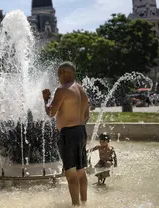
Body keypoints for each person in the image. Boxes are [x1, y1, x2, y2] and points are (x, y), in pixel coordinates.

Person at [42, 62, 89, 206]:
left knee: (71, 173)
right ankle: (84, 202)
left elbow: (51, 113)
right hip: (81, 131)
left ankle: (75, 205)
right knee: (81, 171)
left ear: (62, 72)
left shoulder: (62, 90)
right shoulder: (82, 89)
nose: (58, 78)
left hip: (68, 134)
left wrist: (46, 99)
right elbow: (87, 115)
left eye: (58, 74)